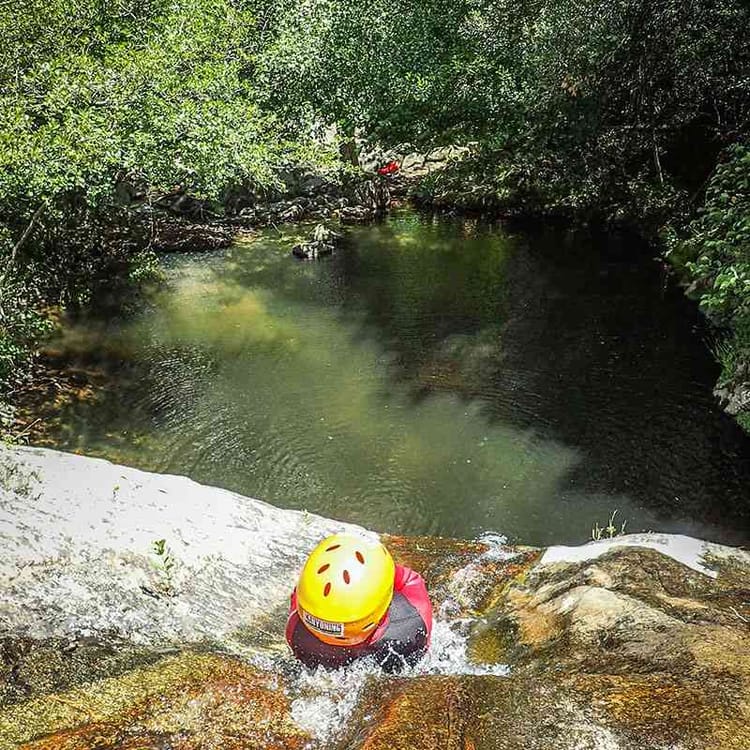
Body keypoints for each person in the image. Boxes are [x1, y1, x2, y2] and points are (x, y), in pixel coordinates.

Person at [285, 533, 432, 672]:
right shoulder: (410, 627)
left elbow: (298, 594)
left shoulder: (296, 632)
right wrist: (382, 567)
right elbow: (409, 579)